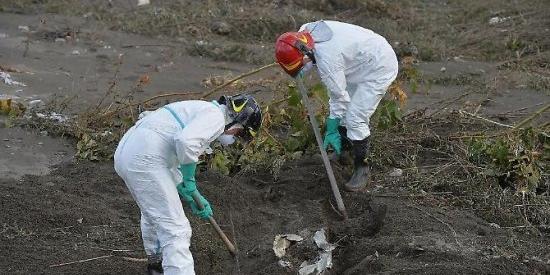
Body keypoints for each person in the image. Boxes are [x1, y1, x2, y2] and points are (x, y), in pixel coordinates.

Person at [114, 94, 262, 274]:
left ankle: (157, 264)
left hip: (129, 152)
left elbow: (169, 154)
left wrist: (189, 192)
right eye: (239, 133)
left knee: (154, 213)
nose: (234, 137)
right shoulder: (215, 116)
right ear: (238, 122)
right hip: (145, 158)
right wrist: (190, 180)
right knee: (176, 230)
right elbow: (186, 142)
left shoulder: (198, 109)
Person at [275, 20, 398, 192]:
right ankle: (344, 153)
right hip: (357, 60)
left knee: (355, 117)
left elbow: (339, 97)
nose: (303, 70)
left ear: (305, 55)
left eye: (301, 66)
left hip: (379, 65)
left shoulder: (327, 59)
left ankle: (362, 167)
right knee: (344, 111)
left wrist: (331, 127)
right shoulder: (303, 34)